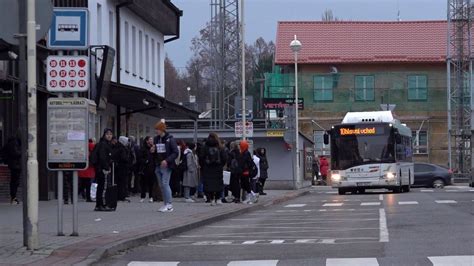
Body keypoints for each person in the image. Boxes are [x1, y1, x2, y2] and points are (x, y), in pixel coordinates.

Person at [153, 121, 179, 213]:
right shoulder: (156, 139)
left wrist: (167, 160)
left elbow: (175, 152)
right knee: (161, 185)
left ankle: (169, 204)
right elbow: (156, 150)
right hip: (158, 164)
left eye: (158, 129)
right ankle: (165, 203)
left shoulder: (170, 139)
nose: (156, 131)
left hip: (166, 165)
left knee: (165, 183)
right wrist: (153, 150)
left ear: (162, 129)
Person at [199, 133, 228, 206]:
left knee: (209, 184)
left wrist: (203, 166)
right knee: (218, 183)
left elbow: (201, 158)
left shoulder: (205, 147)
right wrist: (221, 165)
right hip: (218, 168)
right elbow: (224, 158)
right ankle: (218, 198)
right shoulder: (220, 147)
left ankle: (211, 199)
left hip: (207, 168)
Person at [95, 128, 114, 211]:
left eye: (110, 134)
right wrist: (106, 167)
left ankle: (99, 204)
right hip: (102, 169)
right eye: (107, 134)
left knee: (101, 186)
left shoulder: (106, 143)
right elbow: (102, 157)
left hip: (101, 168)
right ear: (104, 135)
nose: (109, 136)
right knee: (103, 187)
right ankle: (101, 204)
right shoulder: (103, 144)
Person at [138, 136, 157, 203]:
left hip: (152, 167)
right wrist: (145, 161)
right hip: (145, 168)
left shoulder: (154, 148)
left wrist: (154, 151)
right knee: (143, 183)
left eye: (152, 139)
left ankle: (151, 196)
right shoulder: (143, 148)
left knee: (151, 183)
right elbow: (140, 158)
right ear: (147, 141)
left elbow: (156, 156)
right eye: (150, 139)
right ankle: (143, 196)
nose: (151, 141)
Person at [3, 135, 21, 204]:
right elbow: (16, 153)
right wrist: (24, 151)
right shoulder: (14, 143)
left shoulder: (11, 143)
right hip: (15, 165)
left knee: (15, 182)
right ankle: (13, 198)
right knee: (15, 182)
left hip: (14, 165)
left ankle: (13, 198)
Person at [239, 140, 257, 204]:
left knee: (246, 185)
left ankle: (250, 197)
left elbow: (244, 162)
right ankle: (251, 195)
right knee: (244, 185)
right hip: (244, 171)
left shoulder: (245, 153)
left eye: (241, 145)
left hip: (246, 171)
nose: (240, 147)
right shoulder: (244, 152)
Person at [114, 136, 131, 202]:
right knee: (122, 183)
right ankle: (121, 196)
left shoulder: (118, 147)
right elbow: (124, 158)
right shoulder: (122, 148)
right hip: (122, 168)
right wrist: (127, 160)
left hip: (120, 168)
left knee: (121, 183)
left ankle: (121, 196)